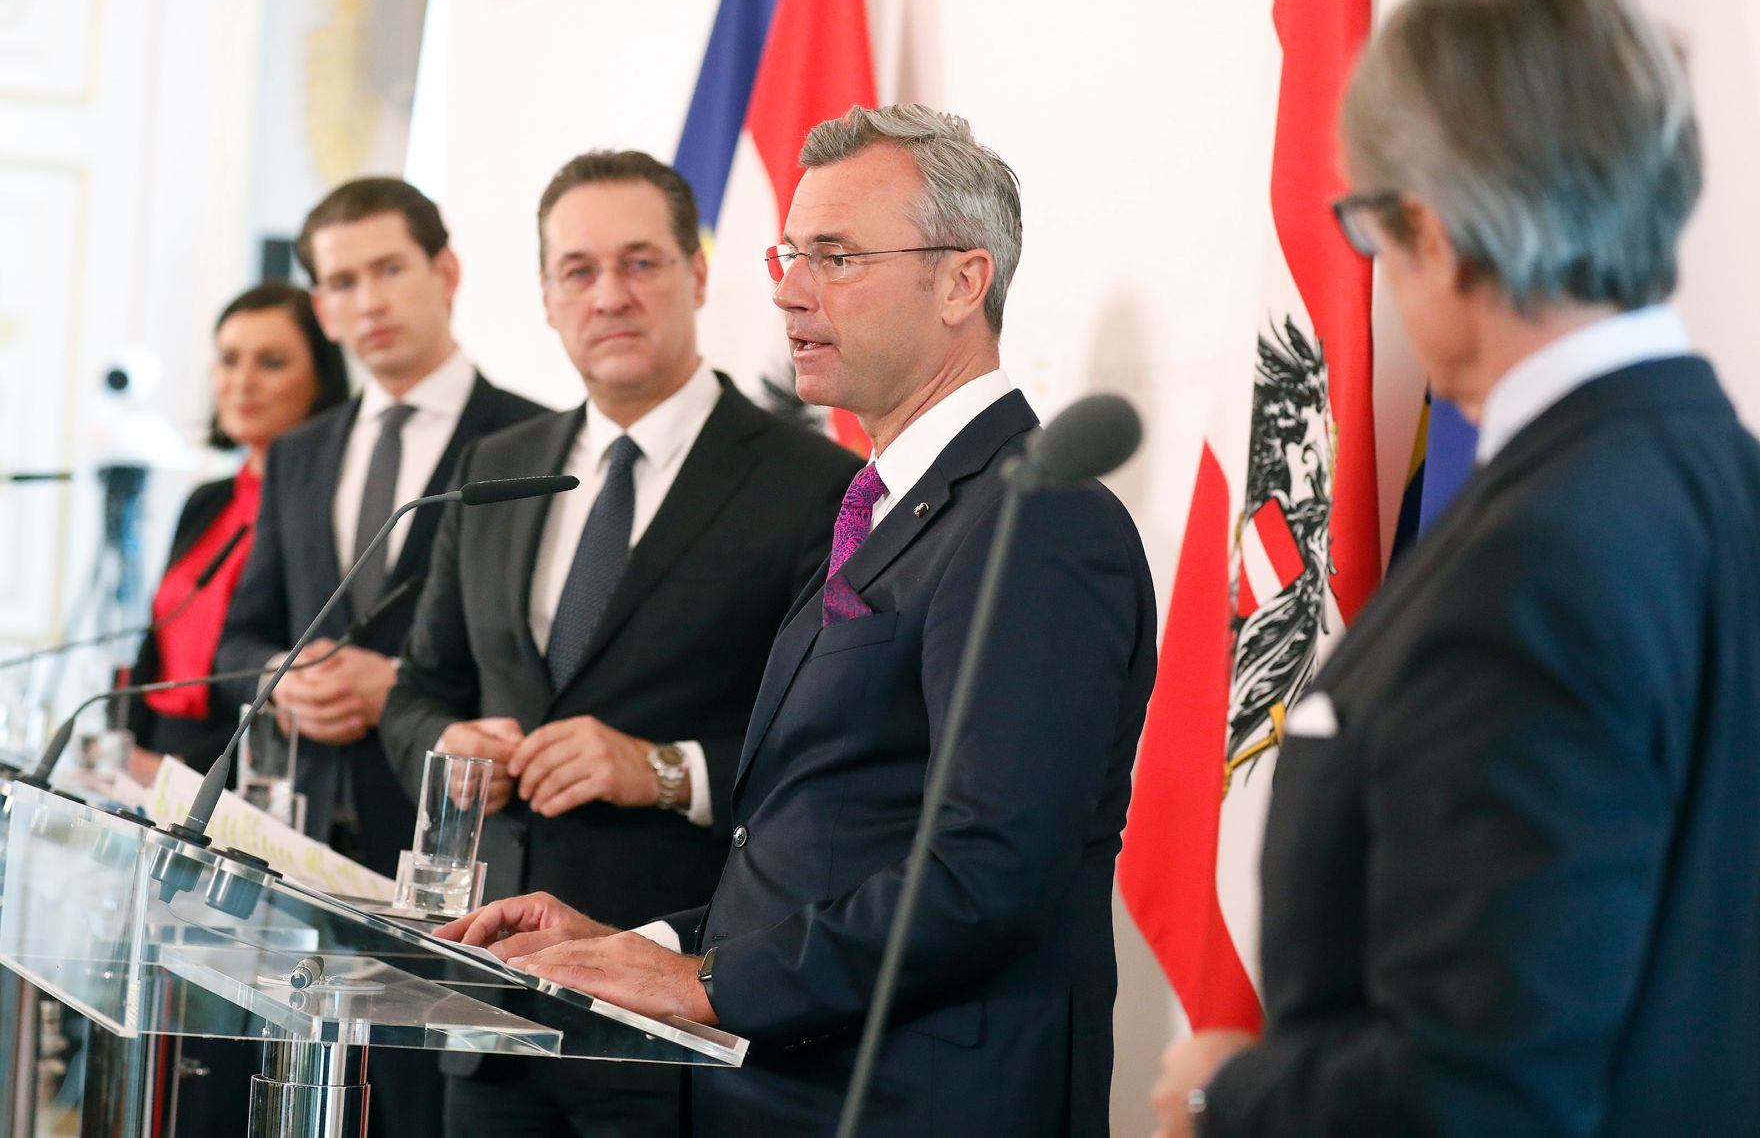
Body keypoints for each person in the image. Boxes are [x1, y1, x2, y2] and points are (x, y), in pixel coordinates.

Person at [441, 105, 1159, 1137]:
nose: (786, 289)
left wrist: (705, 984)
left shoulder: (1034, 519)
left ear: (962, 282)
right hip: (793, 1086)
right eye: (790, 254)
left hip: (917, 1102)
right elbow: (828, 840)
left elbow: (987, 873)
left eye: (836, 256)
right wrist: (641, 944)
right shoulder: (888, 507)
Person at [1151, 0, 1760, 1138]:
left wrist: (1229, 1094)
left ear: (1432, 233)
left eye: (1367, 224)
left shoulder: (1536, 559)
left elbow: (1481, 1080)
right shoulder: (1719, 475)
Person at [378, 150, 858, 1137]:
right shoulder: (495, 467)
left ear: (697, 274)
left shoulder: (813, 484)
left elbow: (836, 755)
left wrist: (662, 770)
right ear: (547, 298)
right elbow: (417, 693)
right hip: (490, 997)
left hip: (675, 1008)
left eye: (640, 263)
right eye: (579, 270)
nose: (609, 295)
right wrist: (448, 744)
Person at [216, 177, 547, 1138]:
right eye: (342, 281)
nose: (369, 300)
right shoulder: (299, 452)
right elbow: (242, 637)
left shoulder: (530, 440)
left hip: (453, 864)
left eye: (390, 269)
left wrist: (398, 689)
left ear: (446, 272)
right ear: (322, 307)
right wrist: (281, 682)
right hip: (301, 859)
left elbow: (535, 657)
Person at [124, 282, 348, 779]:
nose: (243, 382)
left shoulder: (328, 511)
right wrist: (127, 746)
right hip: (150, 753)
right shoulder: (208, 499)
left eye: (271, 362)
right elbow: (155, 643)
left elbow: (284, 669)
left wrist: (183, 769)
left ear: (320, 380)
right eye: (229, 360)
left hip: (239, 769)